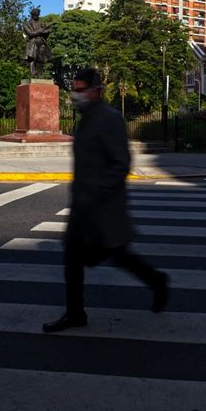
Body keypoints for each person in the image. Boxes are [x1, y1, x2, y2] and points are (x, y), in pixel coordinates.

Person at [43, 68, 169, 333]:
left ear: (96, 90)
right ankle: (75, 313)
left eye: (80, 90)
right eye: (74, 90)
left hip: (103, 207)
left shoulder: (110, 119)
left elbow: (121, 162)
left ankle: (157, 281)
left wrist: (100, 192)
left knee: (118, 255)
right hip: (83, 207)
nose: (75, 95)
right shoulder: (84, 119)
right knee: (73, 260)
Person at [22, 7, 50, 78]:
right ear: (32, 15)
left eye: (38, 15)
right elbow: (30, 34)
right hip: (32, 43)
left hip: (41, 42)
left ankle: (40, 75)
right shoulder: (26, 24)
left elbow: (47, 31)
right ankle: (32, 74)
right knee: (32, 58)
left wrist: (45, 31)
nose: (37, 16)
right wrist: (40, 31)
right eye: (35, 15)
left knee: (40, 59)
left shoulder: (41, 22)